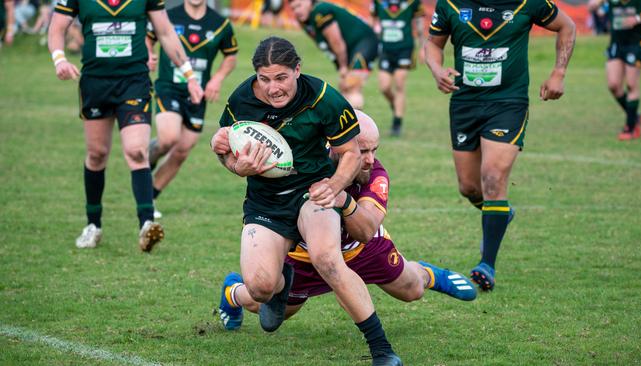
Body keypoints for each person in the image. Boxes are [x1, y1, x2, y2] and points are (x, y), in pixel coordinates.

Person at [210, 37, 401, 366]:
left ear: (297, 70)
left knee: (329, 261)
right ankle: (278, 283)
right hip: (265, 202)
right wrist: (235, 167)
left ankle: (381, 349)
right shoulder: (241, 99)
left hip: (311, 193)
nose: (273, 88)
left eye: (281, 77)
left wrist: (335, 185)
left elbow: (351, 154)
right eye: (264, 79)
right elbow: (227, 150)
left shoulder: (324, 99)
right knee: (260, 288)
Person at [217, 110, 477, 336]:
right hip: (303, 257)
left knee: (412, 290)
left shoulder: (374, 173)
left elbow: (366, 230)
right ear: (336, 145)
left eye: (375, 150)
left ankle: (429, 274)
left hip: (359, 248)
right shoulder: (301, 165)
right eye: (362, 150)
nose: (370, 159)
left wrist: (343, 200)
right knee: (265, 306)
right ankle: (233, 291)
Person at [425, 0, 575, 290]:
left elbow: (566, 26)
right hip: (465, 103)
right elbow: (433, 44)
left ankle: (487, 265)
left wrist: (559, 71)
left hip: (508, 103)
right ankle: (500, 213)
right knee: (468, 187)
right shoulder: (450, 4)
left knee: (493, 176)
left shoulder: (528, 3)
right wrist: (436, 68)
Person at [49, 0, 204, 251]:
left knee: (136, 151)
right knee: (97, 154)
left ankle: (146, 225)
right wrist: (59, 59)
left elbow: (165, 32)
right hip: (95, 83)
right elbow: (57, 28)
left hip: (134, 82)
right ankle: (93, 225)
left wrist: (189, 76)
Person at [146, 0, 238, 218]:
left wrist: (216, 79)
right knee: (169, 138)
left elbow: (231, 55)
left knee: (181, 151)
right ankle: (148, 159)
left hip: (197, 95)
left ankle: (148, 199)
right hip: (169, 87)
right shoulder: (167, 16)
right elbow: (147, 38)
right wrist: (148, 54)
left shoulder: (220, 24)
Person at [288, 0, 378, 110]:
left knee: (351, 85)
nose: (297, 11)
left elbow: (336, 41)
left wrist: (343, 66)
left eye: (299, 5)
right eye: (293, 8)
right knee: (344, 87)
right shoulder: (304, 21)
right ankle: (348, 124)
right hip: (350, 50)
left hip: (365, 43)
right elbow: (322, 43)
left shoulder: (320, 11)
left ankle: (357, 125)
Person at [589, 0, 641, 140]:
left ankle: (630, 128)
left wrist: (638, 18)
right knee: (613, 85)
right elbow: (593, 5)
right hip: (617, 43)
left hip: (636, 43)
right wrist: (594, 5)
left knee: (631, 85)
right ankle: (634, 116)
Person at [371, 0, 425, 136]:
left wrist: (423, 47)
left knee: (400, 84)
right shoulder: (378, 2)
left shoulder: (413, 2)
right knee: (384, 87)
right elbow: (374, 20)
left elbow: (419, 25)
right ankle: (396, 106)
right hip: (385, 49)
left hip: (405, 49)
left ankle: (397, 123)